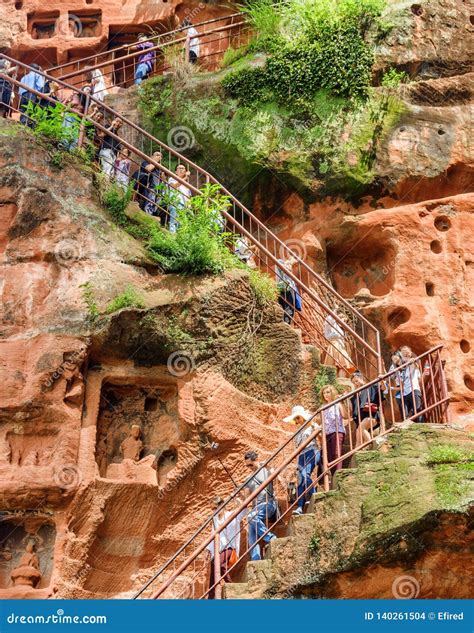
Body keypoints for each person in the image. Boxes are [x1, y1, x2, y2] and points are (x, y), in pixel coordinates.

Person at [206, 496, 246, 599]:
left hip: (230, 548)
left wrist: (236, 499)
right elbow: (212, 535)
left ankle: (230, 585)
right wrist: (208, 550)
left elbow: (244, 511)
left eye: (215, 508)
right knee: (214, 568)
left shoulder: (231, 515)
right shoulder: (215, 519)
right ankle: (212, 596)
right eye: (212, 509)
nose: (214, 511)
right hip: (218, 550)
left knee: (218, 563)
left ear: (222, 506)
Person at [283, 405, 321, 515]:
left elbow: (319, 435)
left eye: (298, 418)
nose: (297, 420)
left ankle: (313, 496)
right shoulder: (298, 431)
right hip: (301, 455)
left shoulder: (312, 425)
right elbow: (297, 447)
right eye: (295, 419)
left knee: (305, 475)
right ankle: (300, 506)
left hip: (312, 450)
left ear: (303, 416)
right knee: (300, 480)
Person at [244, 451, 277, 561]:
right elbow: (246, 498)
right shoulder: (248, 478)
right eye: (247, 465)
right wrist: (241, 496)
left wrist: (268, 467)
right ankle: (255, 557)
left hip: (269, 504)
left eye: (250, 464)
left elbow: (274, 477)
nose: (249, 467)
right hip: (256, 508)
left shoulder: (265, 470)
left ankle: (271, 538)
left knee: (251, 517)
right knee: (251, 526)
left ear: (256, 460)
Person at [350, 371, 384, 446]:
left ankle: (373, 446)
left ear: (362, 379)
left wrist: (382, 380)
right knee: (358, 438)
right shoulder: (356, 395)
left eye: (356, 381)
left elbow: (382, 388)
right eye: (354, 382)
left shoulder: (370, 386)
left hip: (371, 415)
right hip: (361, 418)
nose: (355, 383)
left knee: (361, 428)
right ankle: (357, 455)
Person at [320, 385, 347, 475]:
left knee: (336, 453)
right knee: (329, 456)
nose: (326, 395)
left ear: (332, 393)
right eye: (324, 393)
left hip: (337, 431)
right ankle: (334, 475)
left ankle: (338, 474)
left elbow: (344, 416)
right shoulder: (323, 407)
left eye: (328, 392)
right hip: (327, 433)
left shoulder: (337, 403)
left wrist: (342, 402)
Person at [323, 312, 356, 377]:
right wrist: (335, 309)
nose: (344, 322)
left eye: (345, 321)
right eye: (343, 320)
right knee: (343, 364)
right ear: (338, 319)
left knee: (342, 365)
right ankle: (341, 380)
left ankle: (340, 380)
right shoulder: (333, 325)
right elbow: (329, 319)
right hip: (335, 345)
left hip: (339, 346)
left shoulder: (341, 329)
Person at [399, 345, 424, 422]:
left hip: (414, 390)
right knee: (405, 414)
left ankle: (421, 427)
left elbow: (415, 362)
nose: (404, 354)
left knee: (417, 410)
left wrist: (411, 358)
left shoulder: (412, 363)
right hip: (406, 393)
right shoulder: (404, 369)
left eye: (406, 351)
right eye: (403, 353)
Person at [276, 258, 301, 324]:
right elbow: (286, 269)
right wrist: (290, 262)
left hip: (282, 287)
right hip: (287, 288)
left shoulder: (280, 263)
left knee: (285, 307)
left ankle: (284, 323)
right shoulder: (280, 262)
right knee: (289, 308)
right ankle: (286, 324)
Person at [167, 163, 191, 232]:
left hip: (184, 206)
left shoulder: (186, 185)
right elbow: (174, 186)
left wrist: (189, 206)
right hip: (175, 202)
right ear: (175, 172)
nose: (181, 170)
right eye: (179, 168)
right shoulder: (172, 179)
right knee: (173, 222)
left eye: (183, 168)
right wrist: (185, 177)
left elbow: (188, 197)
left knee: (182, 225)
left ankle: (179, 240)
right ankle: (172, 237)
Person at [385, 350, 404, 419]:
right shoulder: (393, 366)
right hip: (399, 386)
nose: (394, 360)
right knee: (399, 401)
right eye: (392, 359)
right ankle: (404, 418)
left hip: (408, 385)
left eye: (395, 358)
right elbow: (388, 376)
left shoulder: (405, 362)